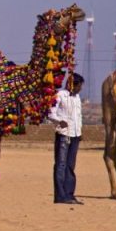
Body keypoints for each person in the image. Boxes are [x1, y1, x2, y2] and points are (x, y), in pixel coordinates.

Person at [48, 73, 84, 205]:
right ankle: (60, 196)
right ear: (73, 84)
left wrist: (79, 131)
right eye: (79, 85)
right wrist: (60, 121)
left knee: (70, 166)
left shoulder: (77, 97)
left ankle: (69, 195)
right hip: (63, 134)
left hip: (75, 135)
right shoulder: (59, 95)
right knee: (61, 165)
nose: (80, 88)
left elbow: (78, 116)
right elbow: (51, 113)